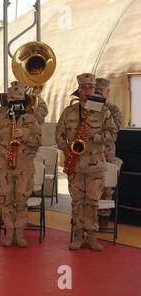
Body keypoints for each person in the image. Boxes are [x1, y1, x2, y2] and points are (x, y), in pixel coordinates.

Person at [55, 73, 117, 251]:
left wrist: (95, 136)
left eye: (89, 87)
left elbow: (113, 134)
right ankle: (77, 236)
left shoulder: (103, 111)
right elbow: (58, 133)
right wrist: (65, 148)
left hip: (95, 165)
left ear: (94, 89)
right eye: (83, 88)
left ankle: (91, 236)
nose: (86, 91)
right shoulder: (69, 112)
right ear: (79, 90)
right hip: (74, 163)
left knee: (92, 201)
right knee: (77, 202)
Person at [0, 81, 42, 247]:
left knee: (22, 200)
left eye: (17, 98)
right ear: (8, 100)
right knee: (6, 199)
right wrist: (2, 152)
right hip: (4, 165)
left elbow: (38, 141)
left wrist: (23, 135)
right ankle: (8, 232)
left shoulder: (31, 120)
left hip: (24, 166)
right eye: (11, 98)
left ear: (23, 100)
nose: (14, 101)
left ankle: (20, 233)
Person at [95, 78, 123, 230]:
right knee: (91, 186)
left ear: (108, 92)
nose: (98, 94)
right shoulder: (88, 106)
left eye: (101, 91)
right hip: (91, 153)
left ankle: (104, 218)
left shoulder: (114, 109)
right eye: (96, 91)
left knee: (106, 187)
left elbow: (115, 128)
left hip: (107, 152)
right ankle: (87, 217)